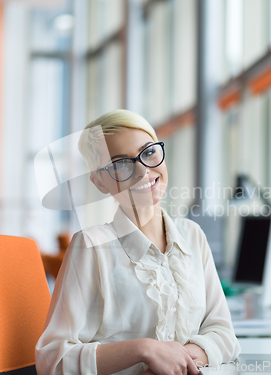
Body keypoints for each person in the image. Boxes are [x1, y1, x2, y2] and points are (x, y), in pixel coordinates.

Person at [35, 109, 240, 375]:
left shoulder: (192, 235)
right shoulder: (91, 246)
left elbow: (223, 333)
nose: (143, 170)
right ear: (100, 182)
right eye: (120, 163)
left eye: (149, 152)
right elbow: (52, 359)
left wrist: (174, 361)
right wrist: (144, 350)